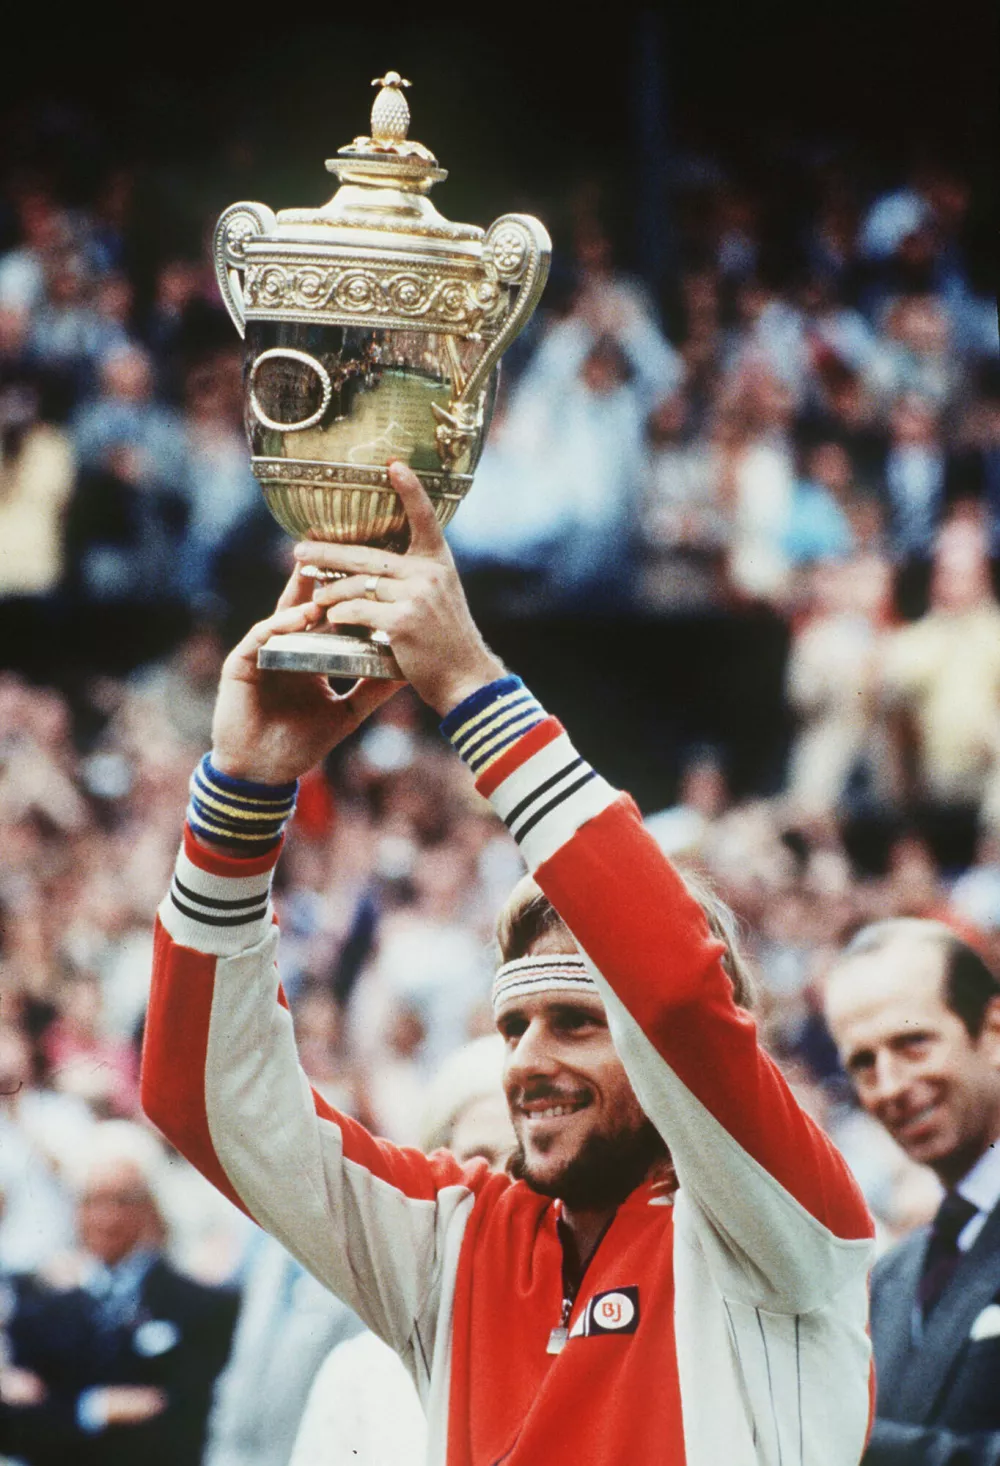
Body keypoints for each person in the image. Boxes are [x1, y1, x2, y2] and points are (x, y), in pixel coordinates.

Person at [142, 460, 874, 1466]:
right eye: (515, 1025)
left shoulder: (780, 1226)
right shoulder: (452, 1240)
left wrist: (472, 690)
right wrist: (244, 790)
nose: (528, 1060)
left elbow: (669, 991)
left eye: (577, 1022)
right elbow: (205, 1098)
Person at [824, 919, 1000, 1464]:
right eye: (863, 1063)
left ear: (992, 1032)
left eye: (913, 1042)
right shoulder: (891, 1282)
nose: (891, 1086)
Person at [0, 1121, 238, 1466]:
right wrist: (95, 1408)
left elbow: (191, 1422)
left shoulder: (202, 1305)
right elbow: (14, 1425)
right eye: (93, 1201)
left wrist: (60, 1410)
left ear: (149, 1206)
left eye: (123, 1201)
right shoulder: (40, 1306)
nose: (107, 1218)